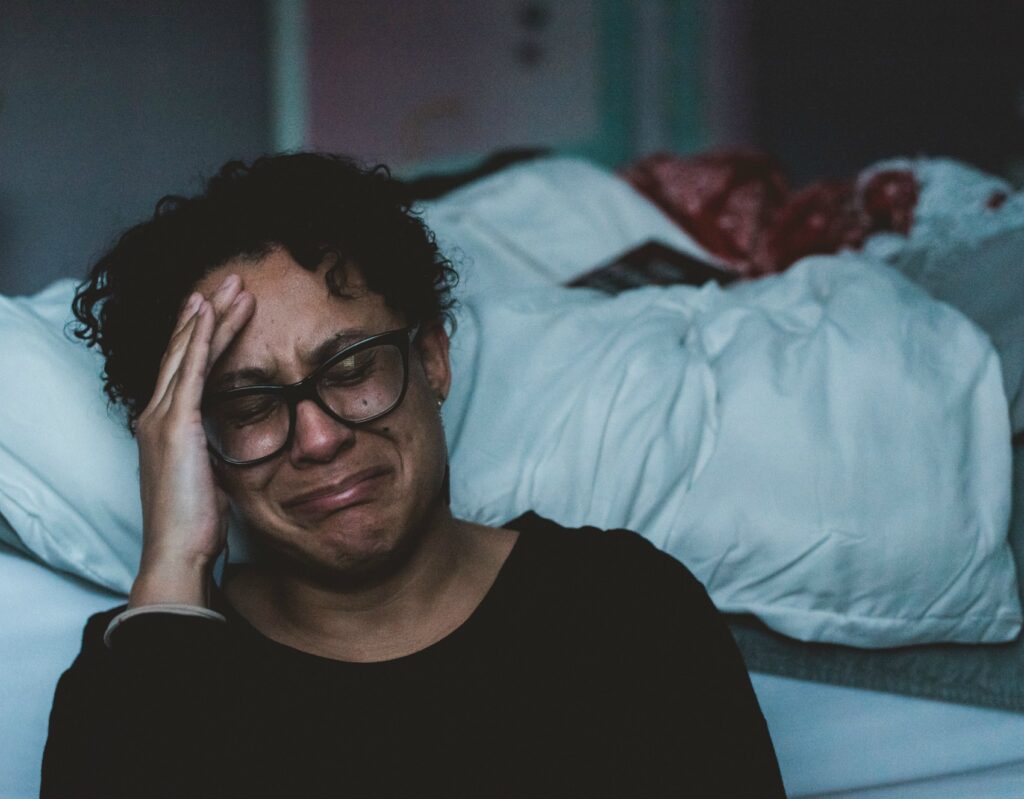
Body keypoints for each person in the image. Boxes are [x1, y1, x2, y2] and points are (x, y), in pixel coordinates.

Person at [40, 153, 786, 798]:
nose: (321, 436)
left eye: (353, 367)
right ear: (196, 441)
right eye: (250, 404)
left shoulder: (625, 610)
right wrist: (174, 564)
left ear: (432, 357)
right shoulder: (137, 671)